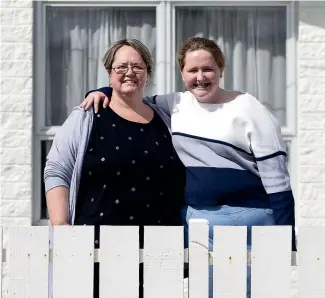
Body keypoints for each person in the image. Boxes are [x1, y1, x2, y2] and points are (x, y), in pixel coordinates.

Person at [81, 37, 296, 297]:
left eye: (208, 69)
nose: (201, 77)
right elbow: (129, 94)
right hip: (198, 223)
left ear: (221, 69)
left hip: (250, 221)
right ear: (181, 73)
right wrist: (101, 92)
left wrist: (286, 239)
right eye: (192, 70)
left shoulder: (250, 109)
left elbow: (279, 184)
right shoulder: (175, 104)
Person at [44, 39, 185, 298]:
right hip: (95, 249)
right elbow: (57, 169)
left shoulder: (167, 119)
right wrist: (61, 226)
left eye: (137, 66)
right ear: (109, 73)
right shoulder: (87, 115)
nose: (129, 72)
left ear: (148, 73)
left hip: (160, 252)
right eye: (121, 67)